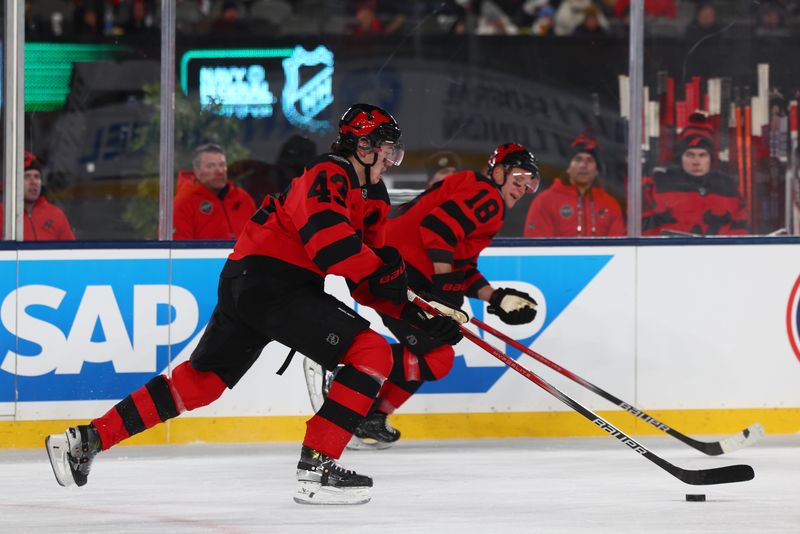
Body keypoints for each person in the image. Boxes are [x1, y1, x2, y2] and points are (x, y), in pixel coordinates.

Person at [45, 103, 463, 505]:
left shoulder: (372, 197)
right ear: (363, 146)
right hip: (271, 282)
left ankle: (87, 439)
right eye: (387, 150)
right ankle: (318, 465)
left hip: (254, 282)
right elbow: (331, 247)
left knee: (201, 383)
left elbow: (369, 281)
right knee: (371, 352)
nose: (392, 160)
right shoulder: (328, 173)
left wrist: (415, 320)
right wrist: (385, 273)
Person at [349, 143, 540, 448]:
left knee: (435, 353)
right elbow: (437, 229)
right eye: (518, 178)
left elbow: (461, 265)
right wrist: (443, 286)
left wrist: (496, 297)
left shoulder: (479, 194)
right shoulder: (488, 197)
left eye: (529, 182)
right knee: (437, 356)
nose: (522, 188)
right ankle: (348, 367)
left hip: (390, 266)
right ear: (499, 172)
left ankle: (371, 417)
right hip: (396, 270)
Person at [642, 113, 748, 236]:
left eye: (702, 155)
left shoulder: (728, 187)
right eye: (690, 155)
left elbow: (741, 232)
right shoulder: (658, 185)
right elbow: (645, 234)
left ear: (710, 159)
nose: (696, 162)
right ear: (680, 158)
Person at [523, 134, 625, 237]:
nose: (583, 165)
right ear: (568, 167)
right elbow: (536, 247)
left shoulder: (610, 205)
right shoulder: (545, 201)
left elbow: (621, 249)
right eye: (578, 159)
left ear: (597, 170)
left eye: (589, 160)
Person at [173, 143, 257, 240]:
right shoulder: (183, 203)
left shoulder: (243, 199)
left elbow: (258, 240)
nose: (219, 171)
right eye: (211, 166)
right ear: (196, 171)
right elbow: (178, 251)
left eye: (222, 165)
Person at [0, 151, 75, 240]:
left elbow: (72, 251)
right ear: (14, 182)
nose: (33, 182)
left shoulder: (56, 215)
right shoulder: (3, 214)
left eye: (37, 177)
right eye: (27, 176)